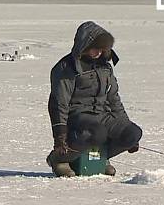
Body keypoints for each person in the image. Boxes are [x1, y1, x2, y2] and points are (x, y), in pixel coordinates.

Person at [47, 21, 143, 177]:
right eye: (96, 48)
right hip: (78, 116)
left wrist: (126, 127)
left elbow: (114, 99)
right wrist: (60, 138)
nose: (99, 52)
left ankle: (100, 158)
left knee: (132, 133)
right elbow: (59, 104)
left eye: (102, 49)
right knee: (97, 132)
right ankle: (60, 159)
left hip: (102, 115)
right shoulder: (66, 68)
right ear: (84, 45)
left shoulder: (105, 67)